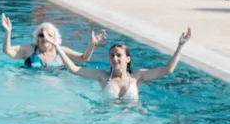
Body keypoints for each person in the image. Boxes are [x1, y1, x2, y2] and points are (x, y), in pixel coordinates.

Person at [54, 29, 191, 101]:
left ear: (128, 59)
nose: (115, 58)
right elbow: (74, 69)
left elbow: (168, 69)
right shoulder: (103, 77)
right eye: (112, 55)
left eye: (119, 55)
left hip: (133, 123)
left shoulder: (138, 77)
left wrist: (181, 45)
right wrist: (57, 46)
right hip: (109, 122)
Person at [1, 15, 105, 69]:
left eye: (49, 35)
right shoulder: (30, 49)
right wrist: (8, 32)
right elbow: (8, 51)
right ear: (37, 38)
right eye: (41, 35)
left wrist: (92, 45)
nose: (44, 38)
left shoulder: (61, 51)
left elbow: (83, 59)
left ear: (55, 39)